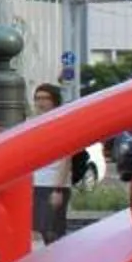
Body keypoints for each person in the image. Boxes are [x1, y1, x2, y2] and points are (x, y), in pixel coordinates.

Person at [30, 83, 84, 244]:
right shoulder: (34, 123)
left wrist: (58, 189)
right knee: (40, 228)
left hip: (54, 184)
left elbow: (66, 159)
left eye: (45, 98)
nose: (41, 102)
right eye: (37, 98)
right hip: (37, 183)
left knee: (52, 230)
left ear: (54, 100)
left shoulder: (62, 123)